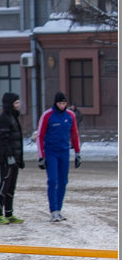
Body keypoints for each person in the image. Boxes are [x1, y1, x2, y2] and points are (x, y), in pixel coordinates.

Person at [36, 92, 81, 222]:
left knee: (63, 181)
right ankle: (53, 210)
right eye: (60, 103)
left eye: (64, 103)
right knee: (53, 180)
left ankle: (59, 210)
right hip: (51, 152)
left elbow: (75, 134)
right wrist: (41, 156)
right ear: (55, 103)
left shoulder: (70, 115)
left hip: (64, 152)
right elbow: (40, 135)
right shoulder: (48, 115)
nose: (62, 105)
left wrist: (77, 153)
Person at [0, 93, 25, 224]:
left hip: (15, 159)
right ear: (10, 104)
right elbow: (2, 141)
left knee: (11, 187)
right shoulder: (4, 119)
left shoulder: (14, 117)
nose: (18, 105)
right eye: (16, 103)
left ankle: (9, 213)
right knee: (4, 186)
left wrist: (19, 159)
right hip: (6, 160)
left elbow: (17, 140)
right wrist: (9, 156)